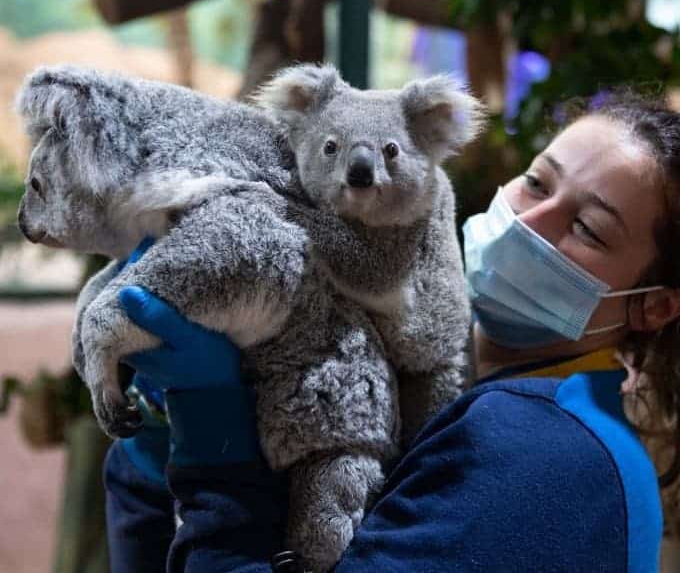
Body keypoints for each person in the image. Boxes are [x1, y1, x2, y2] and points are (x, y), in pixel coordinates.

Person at [103, 92, 680, 572]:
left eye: (587, 228)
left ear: (653, 306)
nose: (529, 222)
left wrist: (211, 436)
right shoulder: (494, 388)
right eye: (536, 181)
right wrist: (154, 455)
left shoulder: (543, 453)